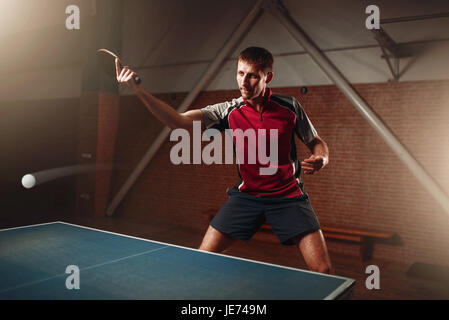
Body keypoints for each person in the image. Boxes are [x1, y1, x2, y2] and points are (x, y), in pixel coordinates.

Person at [116, 47, 333, 274]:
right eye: (240, 73)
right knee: (202, 259)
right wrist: (138, 90)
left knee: (324, 271)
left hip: (288, 197)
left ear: (267, 77)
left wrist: (322, 157)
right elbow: (178, 122)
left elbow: (315, 140)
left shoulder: (289, 107)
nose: (244, 82)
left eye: (252, 75)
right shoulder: (228, 111)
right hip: (248, 198)